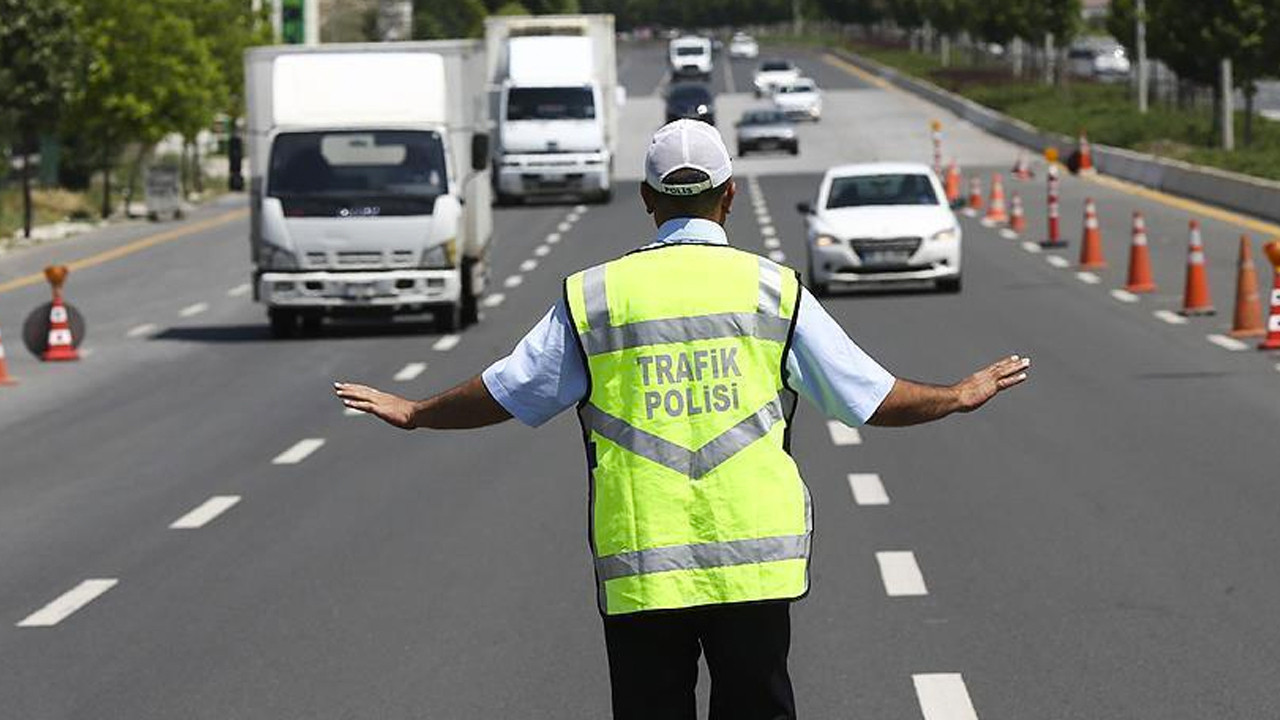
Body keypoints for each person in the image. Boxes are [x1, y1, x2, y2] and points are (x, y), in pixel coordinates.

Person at [334, 119, 1031, 720]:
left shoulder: (597, 296)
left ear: (647, 200)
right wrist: (957, 394)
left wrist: (417, 412)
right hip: (755, 563)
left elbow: (510, 391)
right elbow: (868, 398)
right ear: (729, 196)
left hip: (643, 561)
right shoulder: (772, 289)